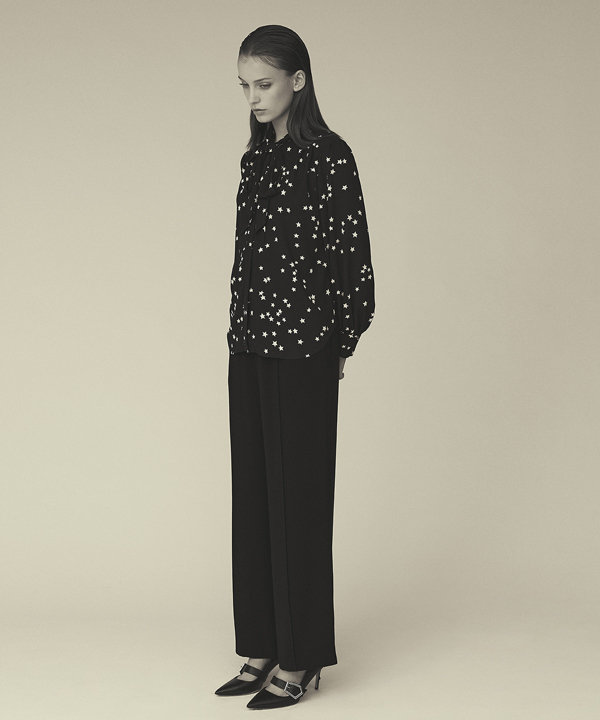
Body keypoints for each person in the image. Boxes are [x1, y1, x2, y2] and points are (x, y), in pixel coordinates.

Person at [214, 24, 375, 710]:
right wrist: (238, 330)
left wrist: (339, 342)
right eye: (244, 86)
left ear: (298, 81)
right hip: (251, 347)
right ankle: (261, 643)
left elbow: (354, 262)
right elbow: (246, 258)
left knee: (299, 502)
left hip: (306, 351)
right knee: (254, 498)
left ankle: (302, 656)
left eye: (265, 84)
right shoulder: (255, 161)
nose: (253, 97)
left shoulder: (330, 157)